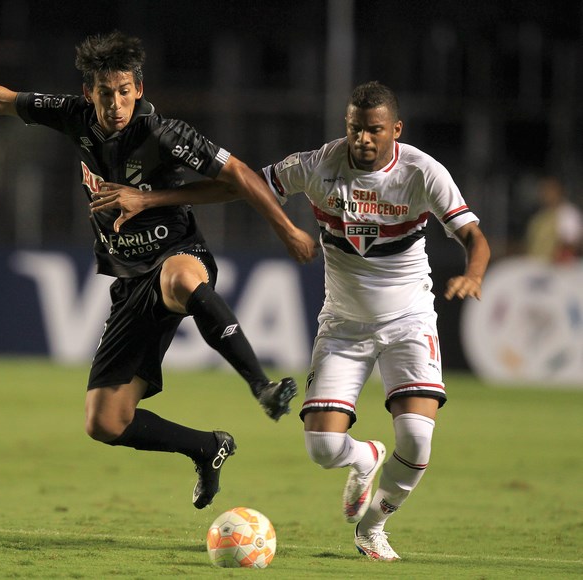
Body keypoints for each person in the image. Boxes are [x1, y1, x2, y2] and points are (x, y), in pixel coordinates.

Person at [0, 31, 317, 510]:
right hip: (129, 279)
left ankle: (261, 385)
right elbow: (0, 99)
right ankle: (207, 448)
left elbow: (239, 177)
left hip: (178, 251)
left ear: (138, 90)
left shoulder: (165, 134)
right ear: (90, 93)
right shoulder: (74, 116)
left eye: (124, 92)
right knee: (104, 422)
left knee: (182, 280)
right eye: (106, 93)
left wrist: (287, 229)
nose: (115, 104)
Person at [90, 81, 491, 559]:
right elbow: (241, 185)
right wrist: (151, 199)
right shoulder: (318, 164)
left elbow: (474, 236)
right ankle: (365, 456)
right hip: (343, 324)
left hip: (409, 320)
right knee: (322, 446)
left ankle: (373, 527)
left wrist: (473, 273)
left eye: (374, 130)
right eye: (355, 128)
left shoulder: (423, 173)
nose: (363, 139)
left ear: (396, 130)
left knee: (418, 439)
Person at [524, 175, 583, 263]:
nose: (546, 194)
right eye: (543, 190)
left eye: (550, 190)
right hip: (536, 262)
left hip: (558, 266)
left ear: (560, 191)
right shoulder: (540, 215)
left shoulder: (568, 213)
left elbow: (572, 244)